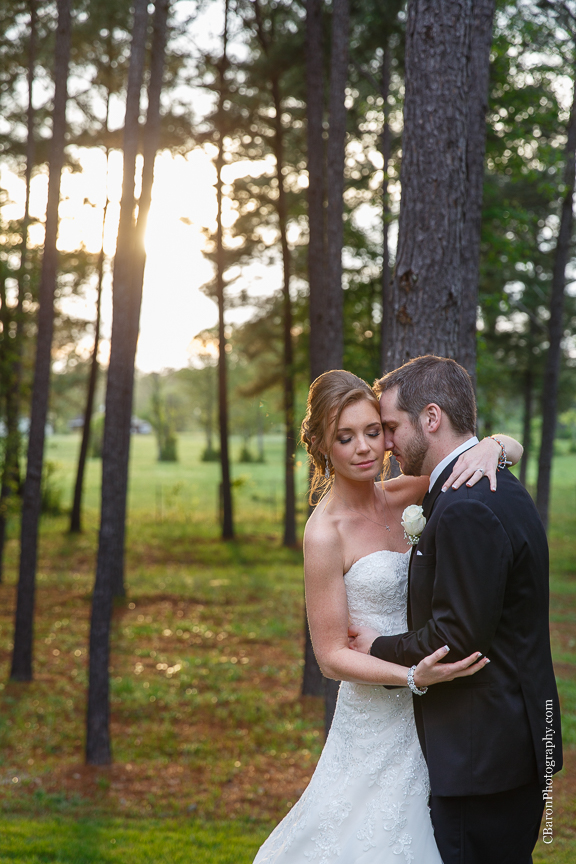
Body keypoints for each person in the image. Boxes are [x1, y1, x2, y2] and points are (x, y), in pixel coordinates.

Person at [253, 368, 523, 864]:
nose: (364, 448)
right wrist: (413, 676)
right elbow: (331, 656)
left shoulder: (405, 494)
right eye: (345, 437)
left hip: (439, 719)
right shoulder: (324, 534)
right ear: (323, 447)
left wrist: (495, 447)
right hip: (380, 711)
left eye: (373, 432)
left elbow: (483, 457)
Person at [349, 355, 563, 864]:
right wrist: (498, 444)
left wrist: (375, 650)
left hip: (483, 756)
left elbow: (457, 636)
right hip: (508, 744)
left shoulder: (465, 502)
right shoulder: (496, 483)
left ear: (431, 418)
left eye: (392, 427)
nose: (387, 444)